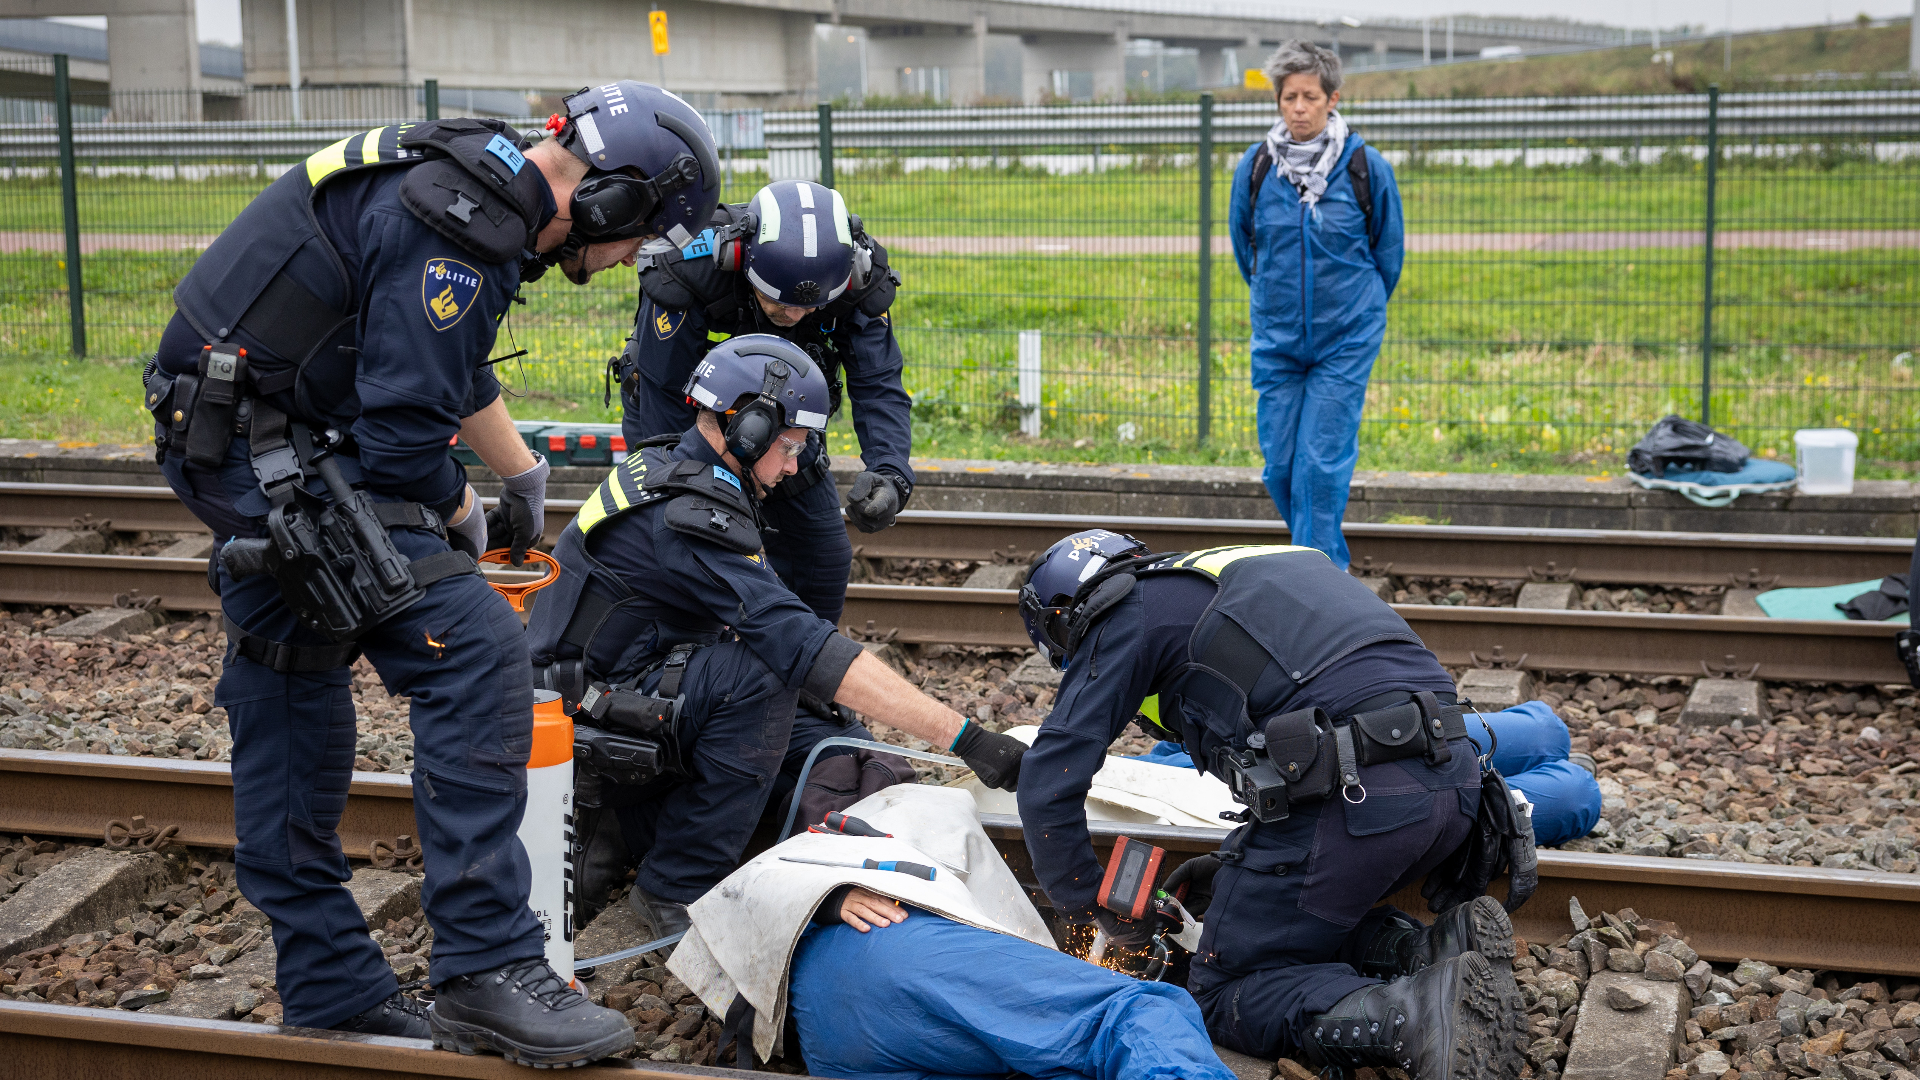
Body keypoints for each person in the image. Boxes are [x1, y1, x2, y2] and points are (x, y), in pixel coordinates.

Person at [141, 81, 722, 1066]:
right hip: (268, 449)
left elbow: (444, 358)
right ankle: (486, 969)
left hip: (251, 432)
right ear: (615, 199)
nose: (629, 260)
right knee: (477, 651)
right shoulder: (464, 230)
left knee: (295, 672)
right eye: (642, 236)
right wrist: (461, 517)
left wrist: (521, 473)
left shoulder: (474, 190)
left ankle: (329, 986)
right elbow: (409, 438)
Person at [526, 334, 1028, 942]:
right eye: (789, 447)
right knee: (764, 676)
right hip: (587, 716)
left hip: (621, 683)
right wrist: (966, 738)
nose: (794, 466)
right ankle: (674, 886)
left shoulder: (677, 467)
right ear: (750, 428)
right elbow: (796, 643)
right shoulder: (688, 516)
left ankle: (667, 829)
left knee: (838, 732)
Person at [1015, 531, 1529, 1077]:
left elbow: (1047, 780)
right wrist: (1241, 865)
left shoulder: (1125, 610)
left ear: (1066, 612)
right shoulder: (1235, 568)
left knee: (1222, 990)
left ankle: (1412, 1014)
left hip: (1362, 804)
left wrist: (1086, 908)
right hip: (1457, 787)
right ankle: (1428, 950)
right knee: (1284, 919)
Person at [665, 784, 1238, 1080]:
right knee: (1134, 1009)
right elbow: (1123, 1014)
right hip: (893, 967)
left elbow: (728, 904)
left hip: (823, 1032)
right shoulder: (924, 839)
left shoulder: (810, 862)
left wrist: (829, 900)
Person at [610, 177, 913, 625]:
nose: (792, 315)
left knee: (824, 558)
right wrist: (691, 486)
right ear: (742, 260)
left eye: (808, 308)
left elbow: (878, 381)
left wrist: (890, 473)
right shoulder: (688, 268)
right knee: (686, 557)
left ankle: (805, 684)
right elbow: (662, 392)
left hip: (785, 430)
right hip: (689, 427)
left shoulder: (857, 279)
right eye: (777, 301)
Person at [1230, 41, 1405, 571]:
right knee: (1280, 467)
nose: (1298, 108)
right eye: (1289, 97)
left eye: (1310, 97)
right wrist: (1273, 305)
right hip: (1278, 341)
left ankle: (1320, 581)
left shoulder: (1364, 167)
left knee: (1319, 466)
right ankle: (1316, 567)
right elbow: (1246, 251)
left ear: (1333, 98)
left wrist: (1357, 312)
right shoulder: (1257, 167)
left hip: (1345, 339)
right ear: (1278, 102)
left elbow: (1387, 254)